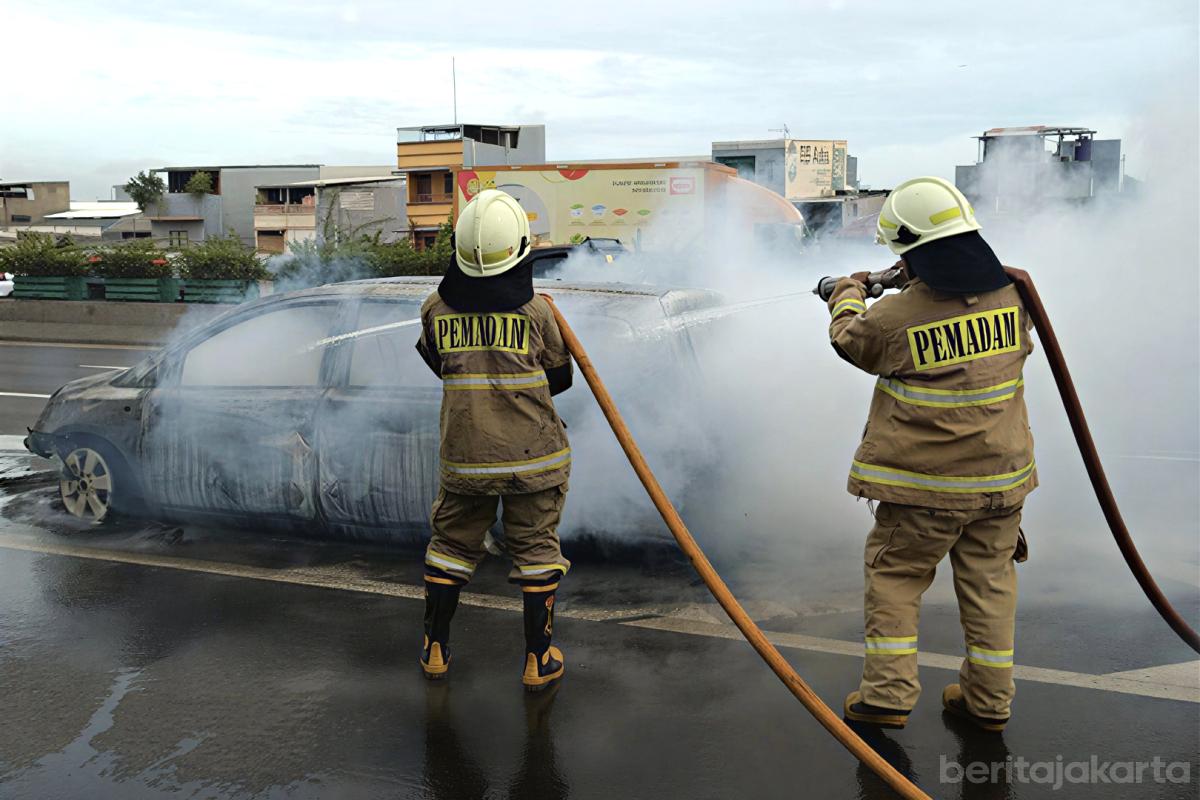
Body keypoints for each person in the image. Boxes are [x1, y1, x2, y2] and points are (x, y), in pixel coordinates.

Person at [823, 176, 1035, 732]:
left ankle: (887, 697)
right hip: (1000, 484)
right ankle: (988, 702)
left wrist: (846, 290)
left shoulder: (894, 318)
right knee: (990, 586)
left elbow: (850, 339)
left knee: (895, 577)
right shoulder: (1016, 297)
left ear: (911, 250)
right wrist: (904, 278)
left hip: (925, 490)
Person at [415, 189, 574, 692]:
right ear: (520, 249)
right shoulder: (537, 312)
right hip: (534, 459)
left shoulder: (435, 309)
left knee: (449, 549)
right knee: (537, 552)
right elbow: (560, 379)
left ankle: (435, 650)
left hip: (465, 458)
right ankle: (538, 659)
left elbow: (436, 363)